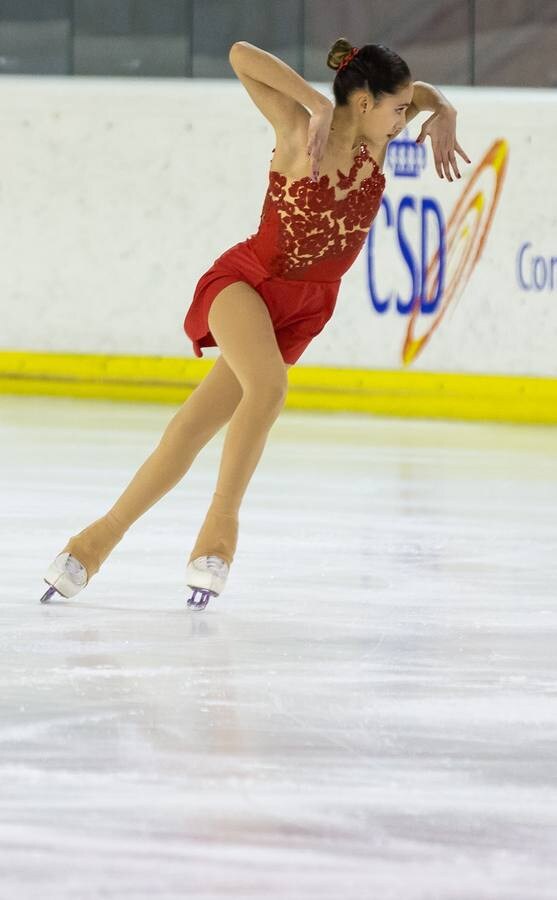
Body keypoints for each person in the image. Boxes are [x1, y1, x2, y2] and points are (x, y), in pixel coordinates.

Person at [40, 37, 469, 610]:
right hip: (247, 284)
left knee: (193, 427)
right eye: (397, 111)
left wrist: (445, 109)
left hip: (302, 308)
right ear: (363, 102)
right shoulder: (299, 129)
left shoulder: (377, 141)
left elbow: (420, 92)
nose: (403, 120)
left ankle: (91, 544)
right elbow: (241, 54)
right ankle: (218, 536)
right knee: (268, 389)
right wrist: (314, 104)